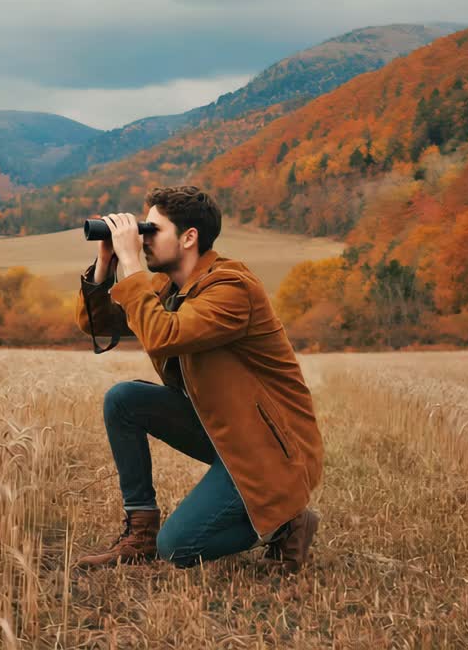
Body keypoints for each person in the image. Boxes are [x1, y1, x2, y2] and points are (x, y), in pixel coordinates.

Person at [73, 185, 323, 571]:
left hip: (270, 451)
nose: (143, 239)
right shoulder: (167, 286)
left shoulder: (232, 288)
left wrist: (132, 264)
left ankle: (286, 523)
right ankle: (140, 532)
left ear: (189, 237)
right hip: (224, 430)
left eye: (152, 231)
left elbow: (162, 337)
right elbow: (97, 323)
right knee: (124, 399)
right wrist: (106, 264)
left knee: (178, 548)